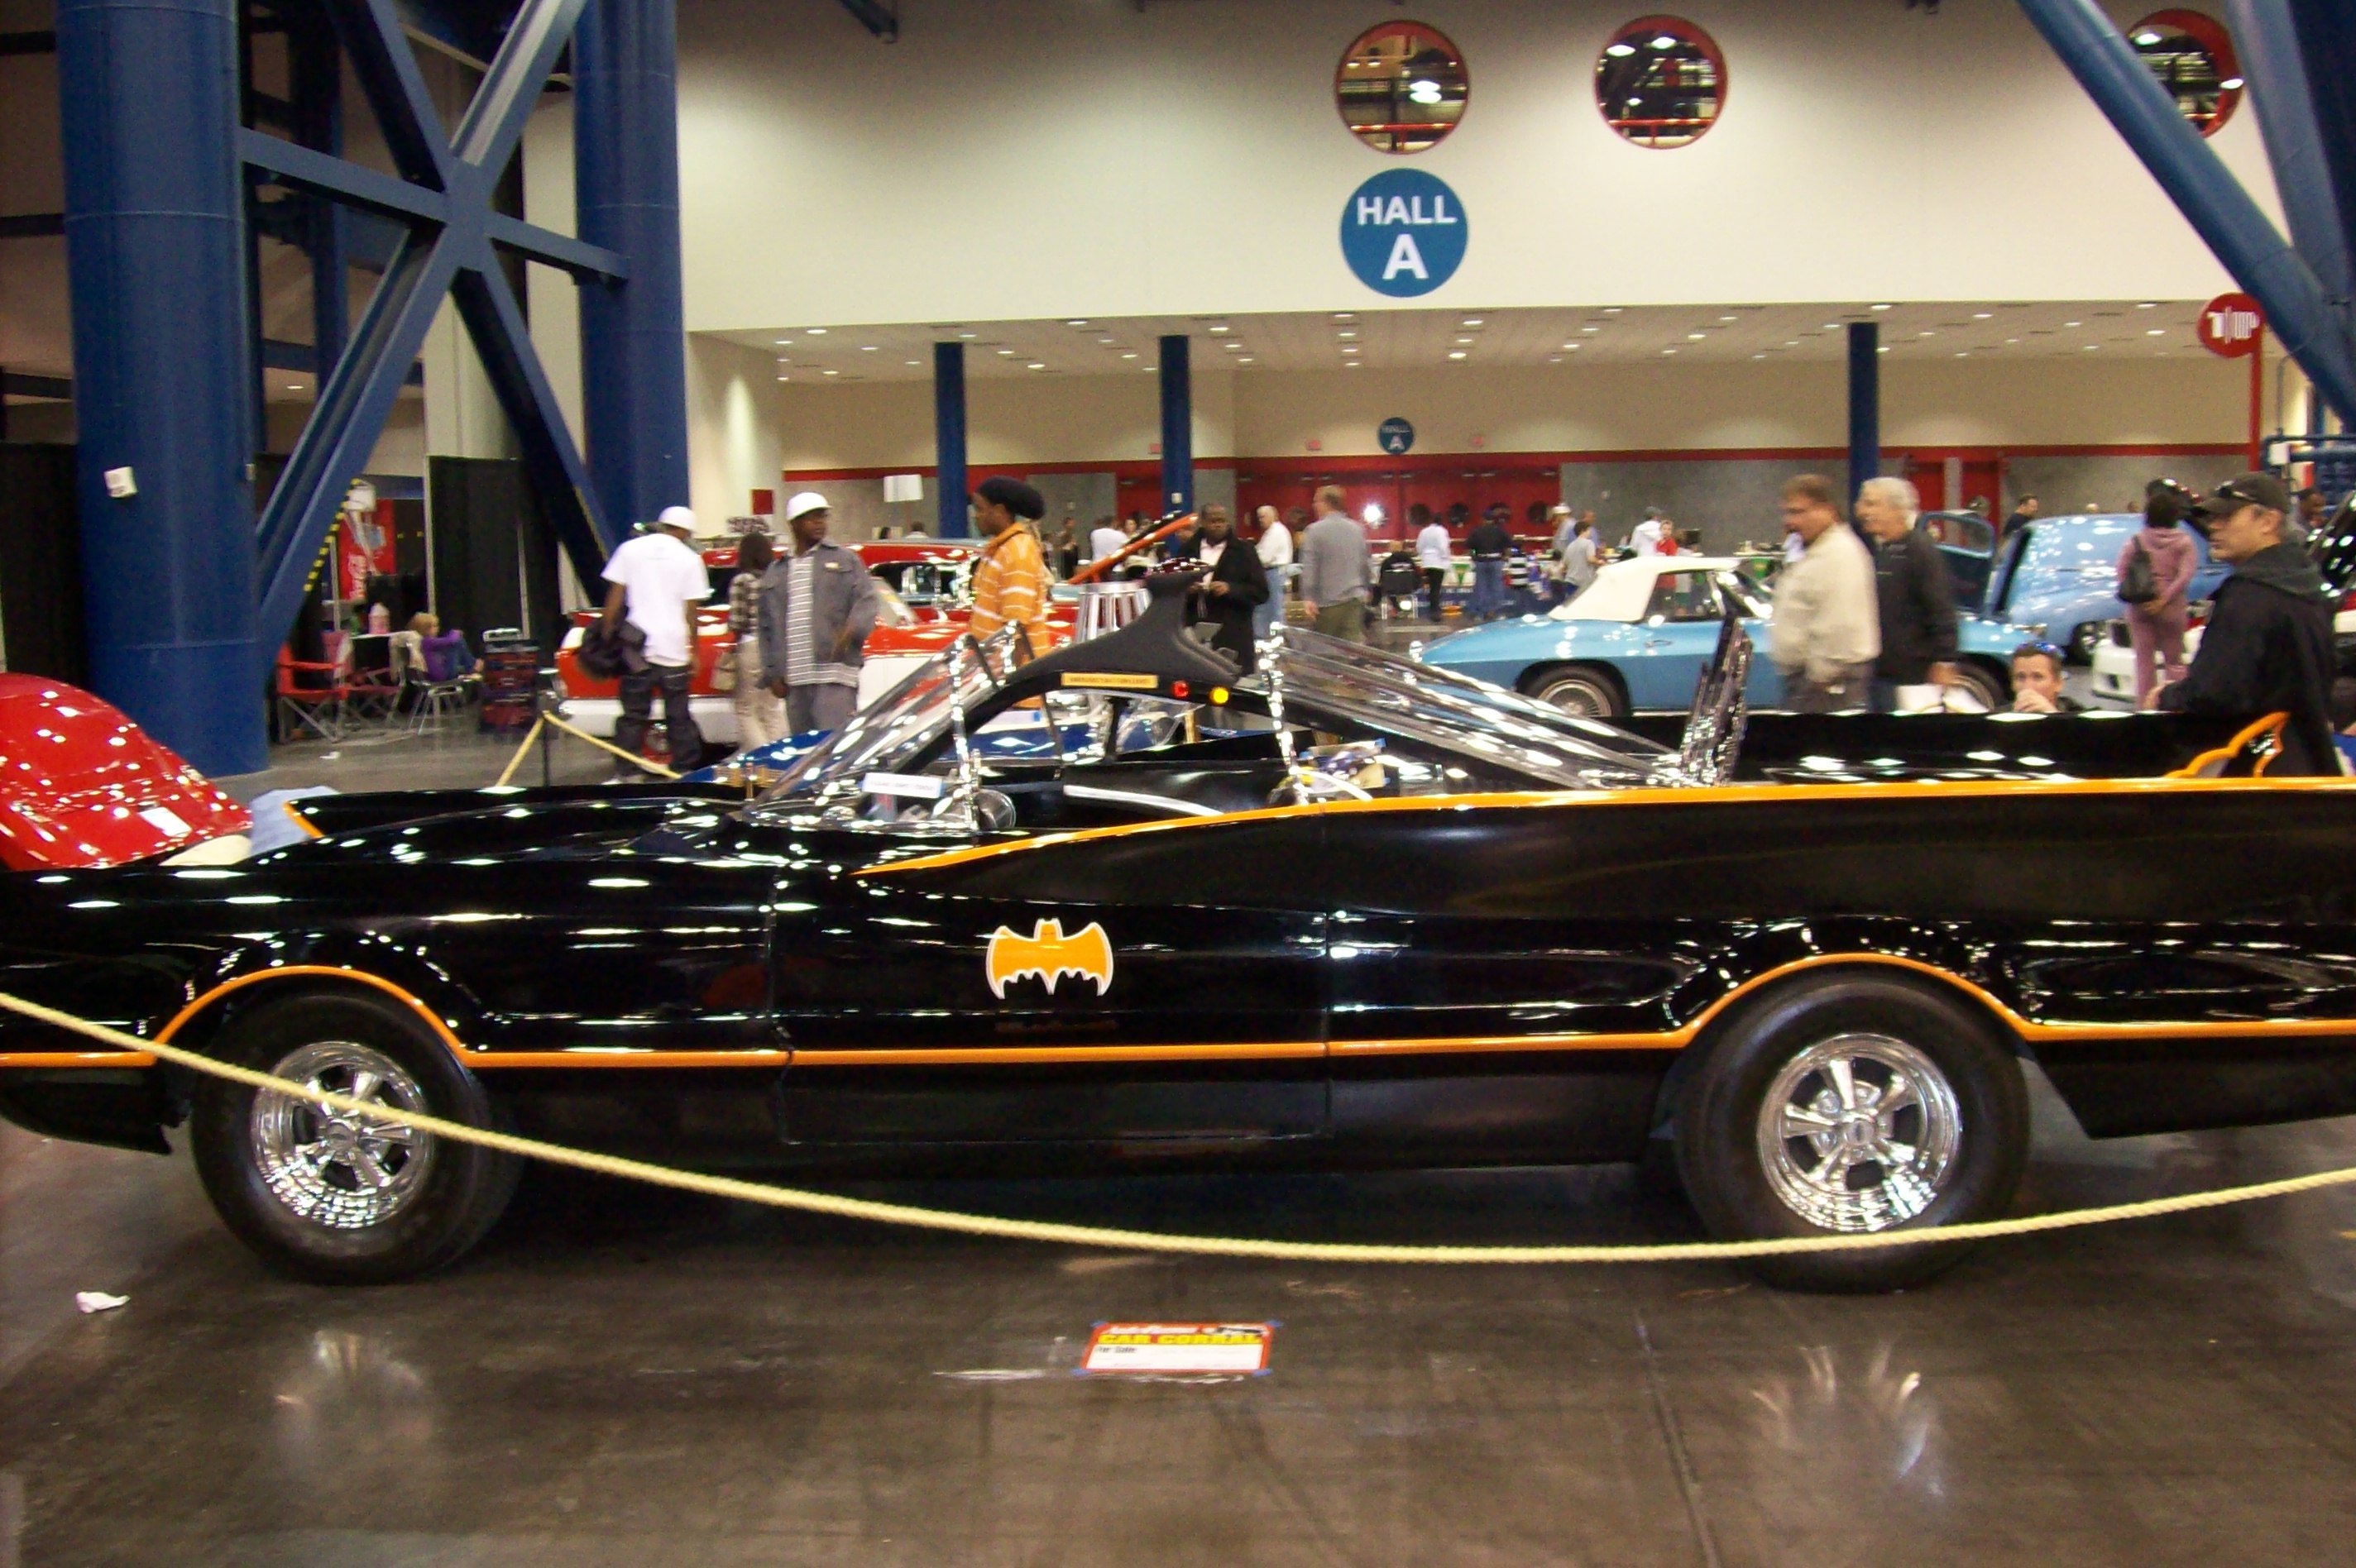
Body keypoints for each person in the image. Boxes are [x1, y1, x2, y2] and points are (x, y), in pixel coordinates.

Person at [2154, 473, 2340, 774]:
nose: (2214, 526)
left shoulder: (2249, 595)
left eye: (2227, 517)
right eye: (2213, 517)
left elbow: (2214, 692)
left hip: (2255, 770)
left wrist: (2166, 696)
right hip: (2310, 761)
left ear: (2267, 522)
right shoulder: (2308, 586)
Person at [756, 492, 881, 737]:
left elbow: (867, 600)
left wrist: (852, 629)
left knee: (833, 743)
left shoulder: (845, 560)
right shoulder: (777, 570)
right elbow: (765, 625)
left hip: (835, 674)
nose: (819, 523)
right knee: (804, 749)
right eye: (811, 518)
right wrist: (772, 673)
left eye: (822, 517)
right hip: (795, 679)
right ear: (794, 524)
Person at [601, 504, 708, 772]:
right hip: (674, 649)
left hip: (635, 648)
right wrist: (694, 651)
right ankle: (684, 770)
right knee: (678, 715)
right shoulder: (690, 559)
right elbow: (691, 612)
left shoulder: (629, 550)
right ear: (686, 532)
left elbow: (614, 598)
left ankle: (628, 772)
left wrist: (606, 636)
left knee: (633, 715)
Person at [1768, 475, 1880, 712]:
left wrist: (1822, 677)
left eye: (1798, 512)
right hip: (1811, 681)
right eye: (1787, 513)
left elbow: (1840, 623)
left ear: (1827, 510)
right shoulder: (1815, 551)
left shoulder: (1839, 555)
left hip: (1827, 686)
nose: (1790, 521)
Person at [1855, 476, 1960, 711]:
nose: (1863, 511)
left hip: (1912, 678)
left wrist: (1945, 660)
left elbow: (1941, 608)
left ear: (1897, 510)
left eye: (1872, 504)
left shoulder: (1921, 551)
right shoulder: (1884, 552)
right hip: (1882, 674)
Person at [2117, 488, 2199, 706]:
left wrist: (2142, 597)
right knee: (2174, 661)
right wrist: (2164, 598)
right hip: (2172, 609)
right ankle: (2176, 706)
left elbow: (2121, 571)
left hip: (2139, 608)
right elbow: (2186, 574)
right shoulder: (2184, 542)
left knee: (2144, 662)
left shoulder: (2135, 541)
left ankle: (2146, 708)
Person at [968, 476, 1052, 659]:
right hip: (995, 663)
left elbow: (1016, 628)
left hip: (1017, 668)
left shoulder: (1017, 553)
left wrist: (1011, 676)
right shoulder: (1001, 548)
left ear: (999, 511)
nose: (975, 515)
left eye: (980, 509)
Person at [1180, 504, 1270, 671]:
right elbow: (1173, 587)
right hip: (1194, 631)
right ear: (1203, 523)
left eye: (1222, 521)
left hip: (1233, 633)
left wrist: (1231, 589)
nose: (1218, 525)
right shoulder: (1187, 551)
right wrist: (1186, 588)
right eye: (1213, 521)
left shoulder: (1244, 551)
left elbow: (1261, 592)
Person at [726, 531, 787, 749]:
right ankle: (780, 757)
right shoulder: (777, 579)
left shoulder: (742, 581)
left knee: (746, 709)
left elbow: (737, 622)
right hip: (778, 648)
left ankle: (762, 758)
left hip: (752, 645)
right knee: (771, 709)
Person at [1298, 484, 1372, 643]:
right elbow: (1365, 563)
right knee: (1350, 648)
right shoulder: (1358, 529)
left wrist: (1308, 597)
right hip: (1354, 599)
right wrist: (1366, 588)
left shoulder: (1314, 531)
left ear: (1326, 503)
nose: (1314, 506)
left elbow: (1310, 566)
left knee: (1325, 649)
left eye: (1316, 502)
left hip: (1327, 602)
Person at [1252, 504, 1295, 641]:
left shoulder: (1276, 532)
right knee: (1267, 607)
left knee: (1273, 608)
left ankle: (1275, 638)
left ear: (1273, 516)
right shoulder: (1271, 532)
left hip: (1274, 573)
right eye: (1259, 517)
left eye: (1263, 517)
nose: (1260, 520)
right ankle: (1264, 635)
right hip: (1271, 573)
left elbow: (1264, 558)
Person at [1465, 507, 1511, 621]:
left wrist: (1474, 558)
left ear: (1483, 519)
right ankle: (1497, 613)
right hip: (1496, 560)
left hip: (1481, 561)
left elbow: (1469, 549)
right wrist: (1504, 558)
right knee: (1496, 587)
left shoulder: (1476, 531)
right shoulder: (1500, 531)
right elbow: (1508, 547)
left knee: (1481, 588)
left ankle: (1480, 614)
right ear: (1493, 519)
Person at [405, 613, 478, 684]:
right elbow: (450, 640)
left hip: (439, 673)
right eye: (434, 626)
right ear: (425, 629)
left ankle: (471, 665)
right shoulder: (427, 641)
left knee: (454, 644)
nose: (437, 628)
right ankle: (471, 666)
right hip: (441, 675)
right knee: (458, 642)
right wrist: (454, 632)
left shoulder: (426, 642)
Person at [2010, 642, 2081, 713]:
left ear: (2058, 683)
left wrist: (2052, 714)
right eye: (2021, 677)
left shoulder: (2076, 714)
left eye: (2037, 677)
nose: (2027, 687)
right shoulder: (2004, 716)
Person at [1415, 507, 1453, 619]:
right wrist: (1446, 558)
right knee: (1436, 587)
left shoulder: (1424, 531)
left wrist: (1424, 556)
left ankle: (1431, 607)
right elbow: (1443, 547)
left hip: (1426, 562)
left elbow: (1419, 547)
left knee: (1430, 586)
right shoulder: (1442, 531)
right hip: (1438, 562)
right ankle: (1435, 612)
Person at [1559, 515, 1599, 604]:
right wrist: (1600, 562)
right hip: (1583, 584)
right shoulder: (1589, 543)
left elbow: (1564, 565)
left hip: (1570, 582)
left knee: (1570, 606)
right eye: (1588, 530)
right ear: (1583, 531)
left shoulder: (1570, 546)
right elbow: (1590, 559)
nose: (1590, 533)